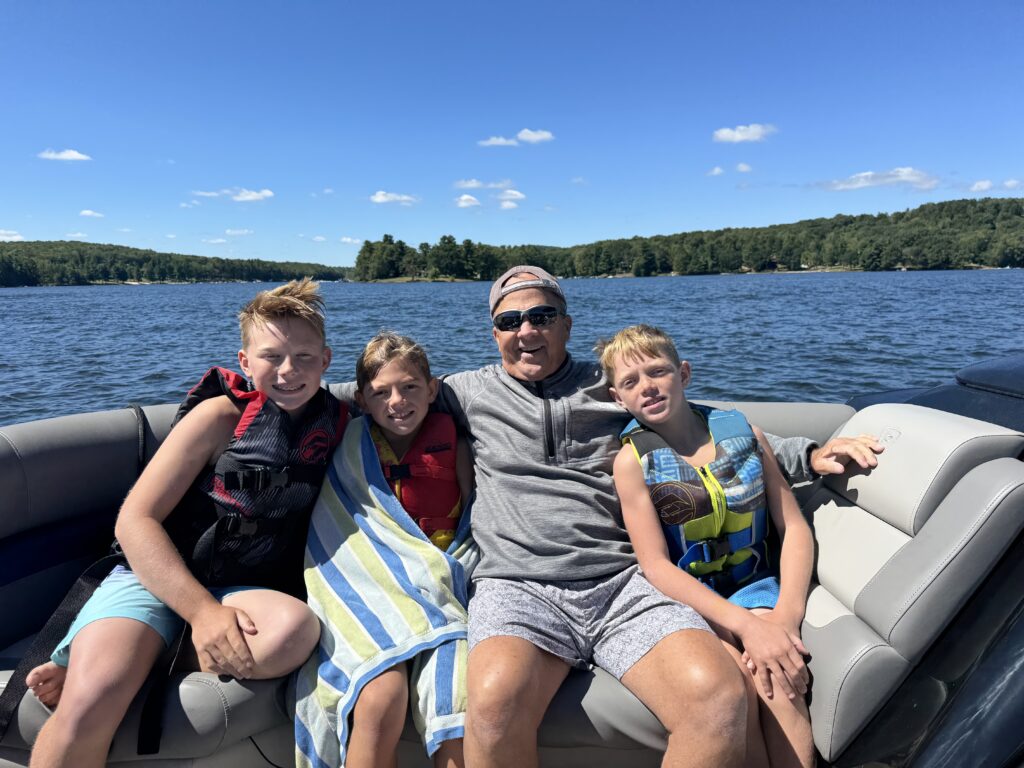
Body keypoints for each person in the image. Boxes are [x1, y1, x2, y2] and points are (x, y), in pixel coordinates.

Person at [329, 265, 882, 766]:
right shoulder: (462, 391)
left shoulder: (611, 383)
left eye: (541, 316)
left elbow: (706, 426)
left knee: (718, 700)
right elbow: (369, 393)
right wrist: (262, 393)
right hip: (516, 586)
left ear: (566, 325)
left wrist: (806, 455)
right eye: (510, 320)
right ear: (493, 333)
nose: (526, 330)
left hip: (626, 581)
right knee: (492, 710)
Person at [25, 278, 347, 768]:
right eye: (271, 357)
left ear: (325, 361)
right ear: (244, 361)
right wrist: (201, 613)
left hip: (241, 586)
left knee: (295, 632)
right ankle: (108, 662)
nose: (288, 371)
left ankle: (143, 656)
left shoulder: (338, 423)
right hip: (155, 578)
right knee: (89, 706)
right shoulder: (218, 418)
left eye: (304, 358)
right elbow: (135, 521)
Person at [600, 324, 816, 768]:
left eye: (657, 371)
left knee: (777, 677)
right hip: (686, 604)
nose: (647, 387)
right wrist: (745, 628)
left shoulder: (744, 434)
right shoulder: (631, 463)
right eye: (630, 382)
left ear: (683, 373)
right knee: (735, 685)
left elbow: (792, 527)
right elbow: (657, 567)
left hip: (755, 589)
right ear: (617, 399)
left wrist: (784, 620)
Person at [333, 332, 473, 768]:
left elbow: (474, 521)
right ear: (361, 399)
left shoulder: (457, 446)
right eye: (381, 392)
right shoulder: (350, 447)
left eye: (410, 387)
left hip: (443, 581)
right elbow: (336, 524)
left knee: (454, 698)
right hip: (377, 587)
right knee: (376, 698)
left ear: (431, 390)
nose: (397, 400)